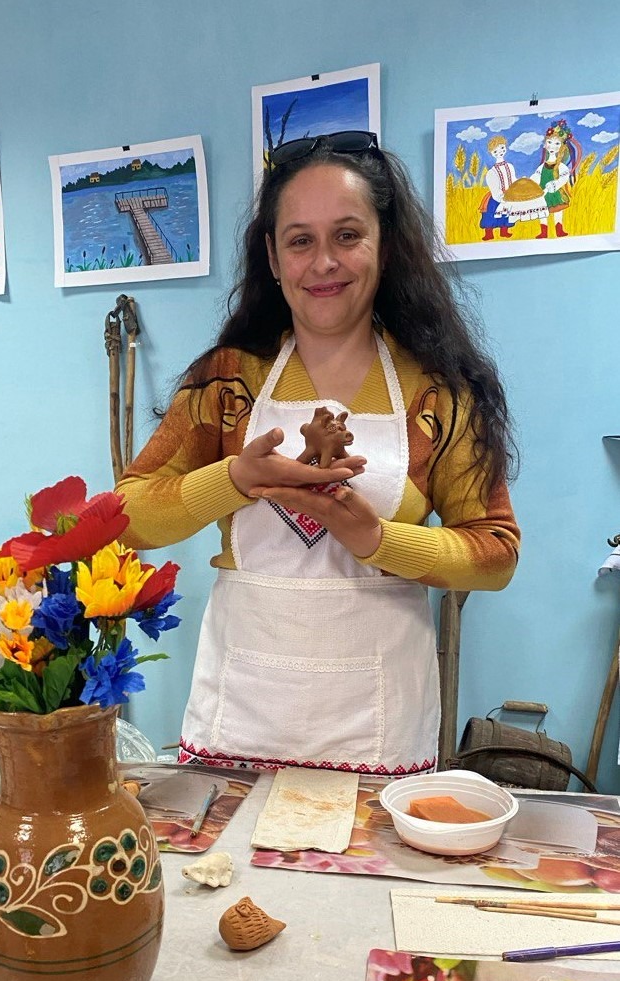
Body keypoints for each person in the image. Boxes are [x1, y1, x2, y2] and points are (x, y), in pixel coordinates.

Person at [116, 130, 520, 776]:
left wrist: (378, 541)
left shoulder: (439, 392)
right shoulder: (227, 382)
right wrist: (234, 478)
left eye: (348, 235)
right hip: (242, 715)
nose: (324, 262)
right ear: (273, 258)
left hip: (379, 727)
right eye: (300, 240)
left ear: (385, 246)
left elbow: (496, 554)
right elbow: (127, 517)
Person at [530, 119, 581, 239]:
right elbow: (537, 175)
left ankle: (559, 230)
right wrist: (531, 182)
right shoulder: (542, 166)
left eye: (557, 143)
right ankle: (544, 232)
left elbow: (564, 178)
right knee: (542, 212)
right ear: (545, 144)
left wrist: (555, 184)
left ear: (562, 147)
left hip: (555, 193)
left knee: (558, 211)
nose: (552, 146)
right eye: (549, 142)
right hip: (542, 193)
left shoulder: (561, 167)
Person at [479, 135, 516, 241]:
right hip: (496, 197)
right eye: (495, 151)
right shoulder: (492, 172)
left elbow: (513, 180)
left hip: (510, 194)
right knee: (491, 214)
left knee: (506, 215)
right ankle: (489, 233)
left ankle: (504, 231)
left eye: (502, 148)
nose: (500, 152)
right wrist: (501, 197)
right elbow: (494, 187)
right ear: (491, 153)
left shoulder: (510, 166)